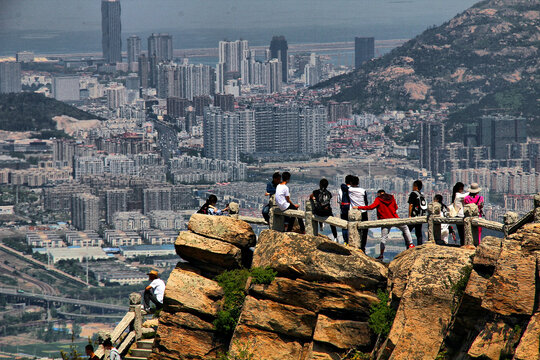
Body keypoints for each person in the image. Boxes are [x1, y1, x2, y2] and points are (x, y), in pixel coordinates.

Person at [355, 189, 414, 260]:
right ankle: (411, 244)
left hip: (385, 221)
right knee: (405, 228)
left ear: (379, 194)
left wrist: (358, 207)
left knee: (383, 238)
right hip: (395, 218)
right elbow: (396, 207)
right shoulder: (391, 197)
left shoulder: (378, 199)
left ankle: (381, 255)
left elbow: (371, 207)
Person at [348, 176, 369, 251]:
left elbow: (343, 186)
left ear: (351, 183)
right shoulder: (363, 190)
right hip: (363, 211)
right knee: (365, 230)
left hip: (354, 212)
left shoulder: (349, 190)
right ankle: (363, 247)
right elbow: (366, 202)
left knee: (354, 229)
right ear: (358, 182)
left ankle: (355, 245)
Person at [408, 180, 427, 246]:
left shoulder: (413, 194)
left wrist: (409, 215)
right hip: (420, 216)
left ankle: (409, 245)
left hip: (414, 215)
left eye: (413, 186)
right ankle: (420, 245)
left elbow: (411, 205)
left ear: (415, 187)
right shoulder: (421, 195)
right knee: (418, 232)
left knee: (407, 231)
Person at [337, 175, 354, 244]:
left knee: (344, 225)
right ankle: (352, 241)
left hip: (344, 209)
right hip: (352, 209)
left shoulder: (341, 189)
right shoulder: (354, 189)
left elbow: (339, 200)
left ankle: (345, 241)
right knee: (353, 225)